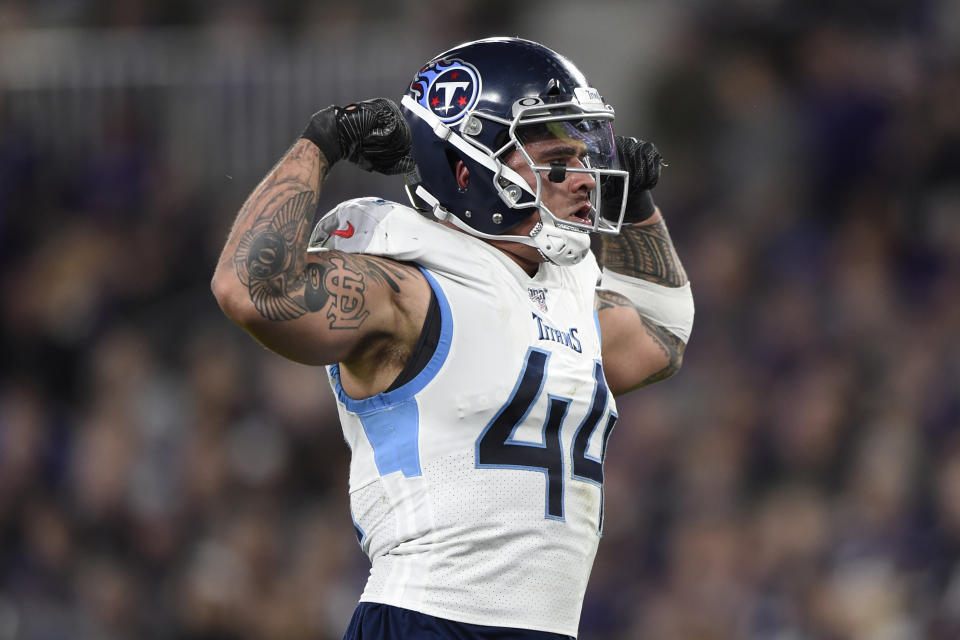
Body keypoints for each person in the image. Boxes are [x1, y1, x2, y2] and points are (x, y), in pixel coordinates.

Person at [212, 36, 693, 640]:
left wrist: (641, 204)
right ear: (468, 168)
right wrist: (323, 141)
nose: (585, 180)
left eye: (585, 156)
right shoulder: (408, 286)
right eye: (557, 160)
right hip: (428, 619)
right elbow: (246, 287)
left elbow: (661, 336)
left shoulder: (563, 285)